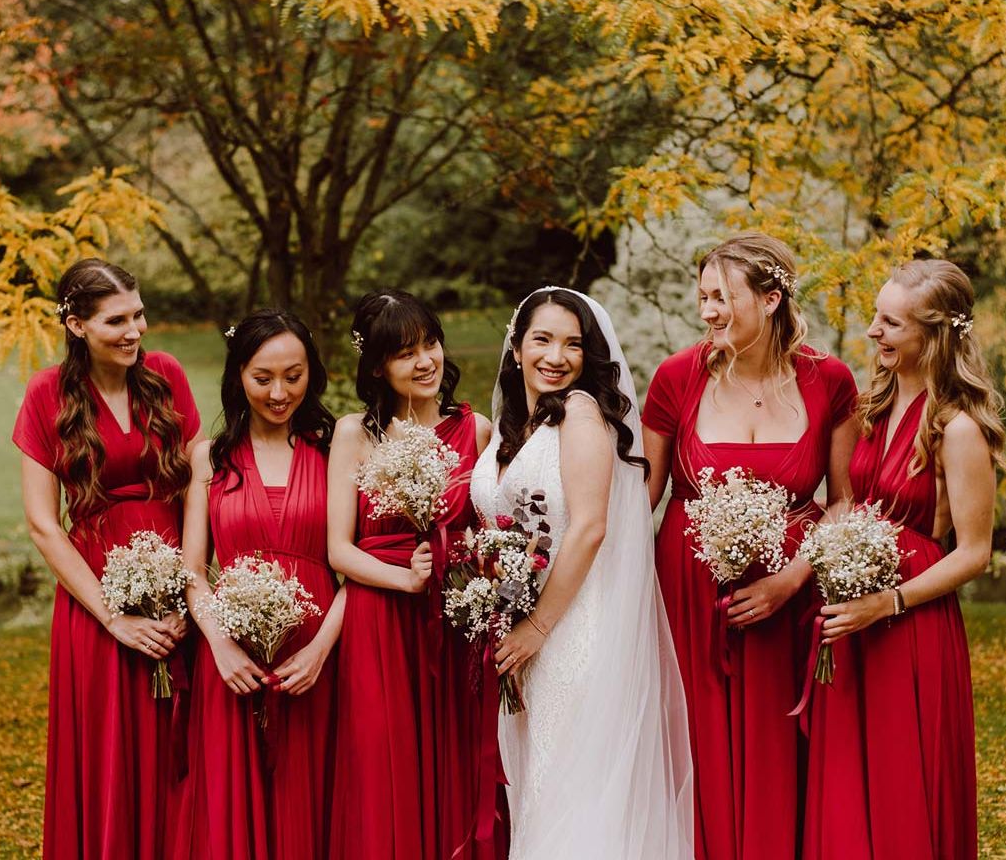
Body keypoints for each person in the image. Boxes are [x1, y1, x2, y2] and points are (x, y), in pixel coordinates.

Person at [641, 233, 857, 860]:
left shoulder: (830, 381)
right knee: (698, 746)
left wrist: (792, 578)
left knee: (777, 748)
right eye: (702, 295)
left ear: (769, 299)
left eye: (721, 297)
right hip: (689, 593)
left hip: (789, 597)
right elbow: (643, 498)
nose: (706, 311)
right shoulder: (676, 378)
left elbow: (842, 500)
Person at [470, 286, 694, 859]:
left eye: (573, 345)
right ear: (516, 346)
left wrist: (537, 628)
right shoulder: (510, 428)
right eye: (542, 339)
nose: (556, 356)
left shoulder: (581, 412)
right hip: (524, 635)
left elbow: (591, 526)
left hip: (571, 631)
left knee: (572, 790)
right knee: (538, 789)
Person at [802, 259, 1003, 860]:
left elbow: (974, 552)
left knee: (899, 781)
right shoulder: (871, 408)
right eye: (874, 317)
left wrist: (884, 603)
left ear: (934, 334)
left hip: (911, 623)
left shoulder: (959, 428)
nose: (872, 332)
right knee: (844, 782)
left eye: (891, 323)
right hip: (852, 616)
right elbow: (845, 500)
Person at [13, 257, 200, 859]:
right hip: (96, 605)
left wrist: (192, 591)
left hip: (177, 588)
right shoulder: (47, 394)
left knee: (182, 750)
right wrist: (112, 618)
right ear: (76, 325)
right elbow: (44, 524)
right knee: (108, 753)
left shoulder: (166, 375)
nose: (134, 331)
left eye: (139, 315)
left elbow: (201, 482)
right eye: (116, 320)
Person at [327, 289, 502, 860]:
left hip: (453, 619)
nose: (426, 360)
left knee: (453, 750)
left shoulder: (474, 428)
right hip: (378, 618)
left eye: (430, 343)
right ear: (378, 366)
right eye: (406, 353)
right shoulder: (356, 434)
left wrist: (469, 562)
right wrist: (403, 579)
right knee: (384, 760)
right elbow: (338, 549)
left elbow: (489, 526)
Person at [177, 309, 344, 858]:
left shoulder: (336, 449)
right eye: (262, 378)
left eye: (293, 376)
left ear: (311, 373)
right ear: (238, 376)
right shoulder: (209, 458)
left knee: (313, 795)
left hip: (317, 657)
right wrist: (220, 647)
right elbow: (193, 571)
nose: (279, 393)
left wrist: (322, 649)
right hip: (233, 661)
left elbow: (356, 569)